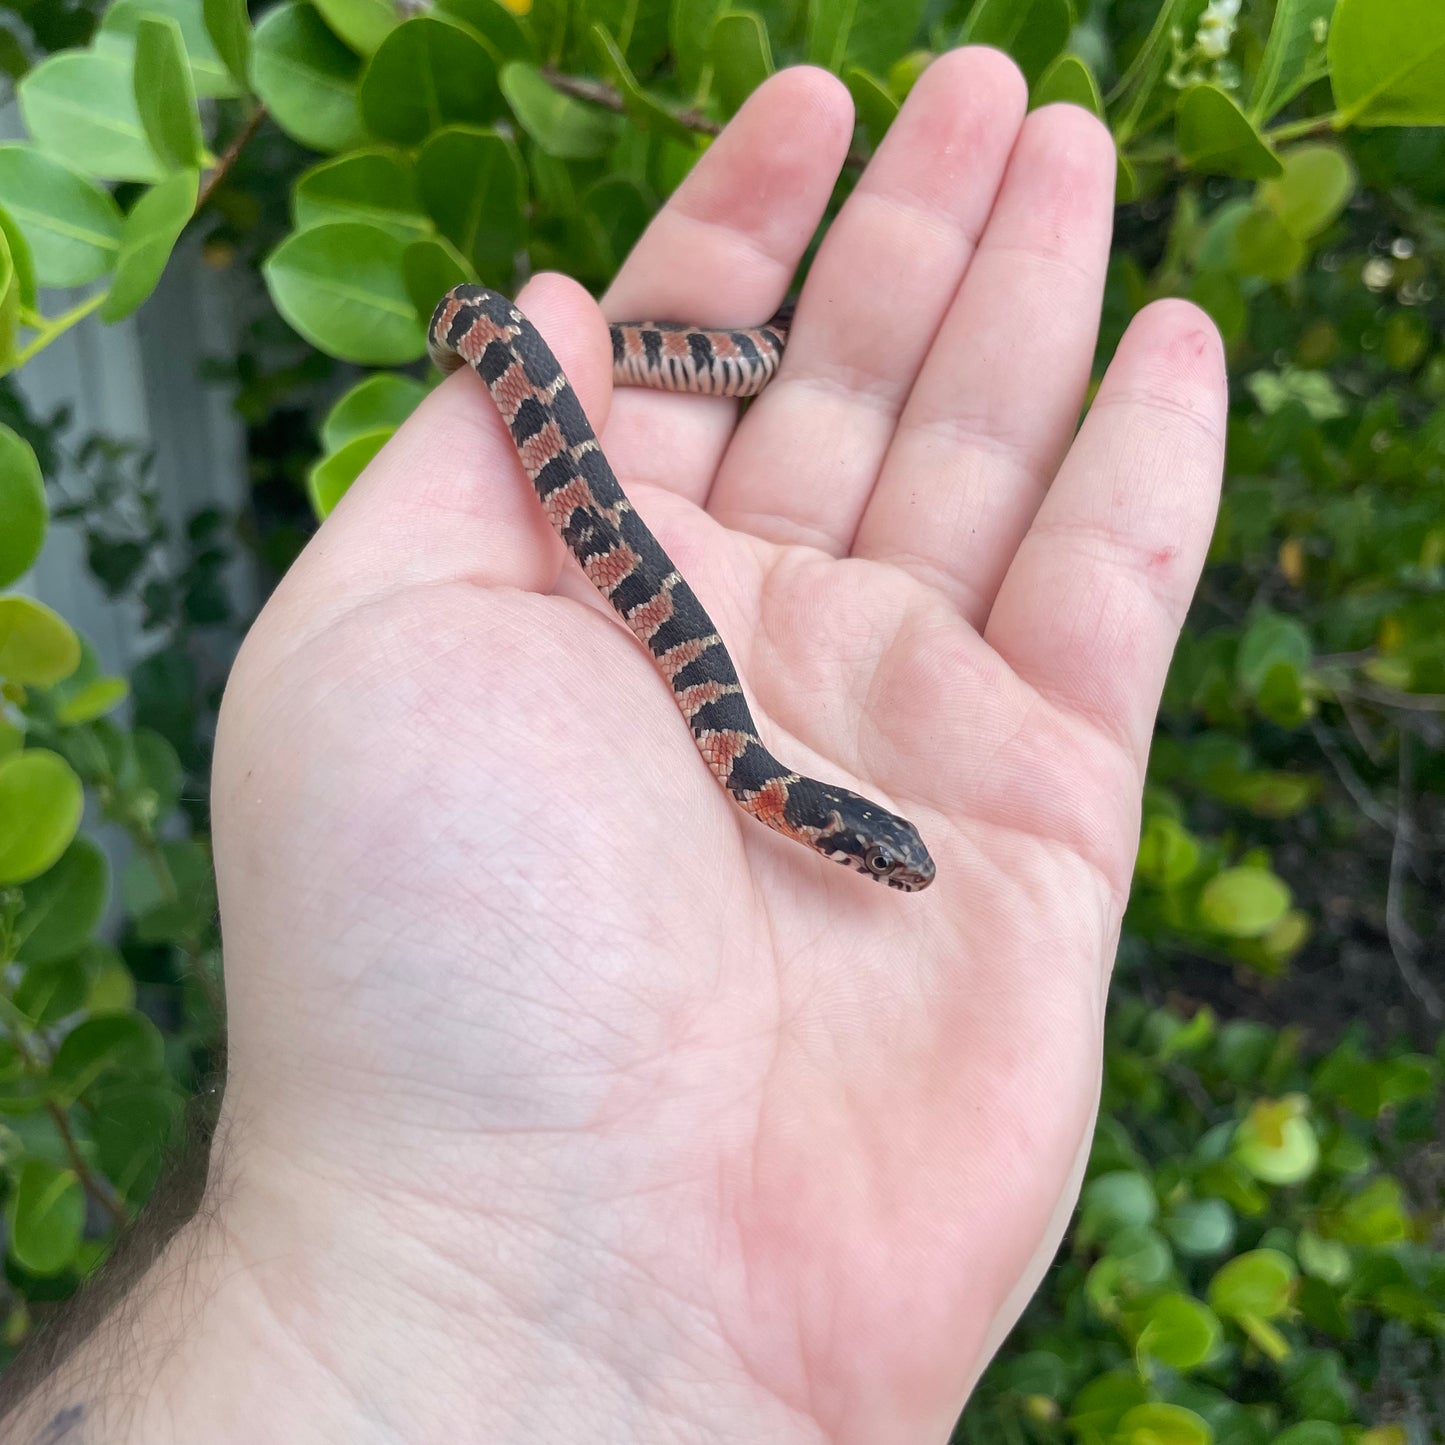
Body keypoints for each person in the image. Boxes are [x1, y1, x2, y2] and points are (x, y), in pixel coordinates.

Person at [0, 48, 1226, 1445]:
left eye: (874, 858)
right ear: (820, 825)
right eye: (872, 854)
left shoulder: (751, 755)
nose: (875, 865)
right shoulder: (736, 750)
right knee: (539, 332)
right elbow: (487, 333)